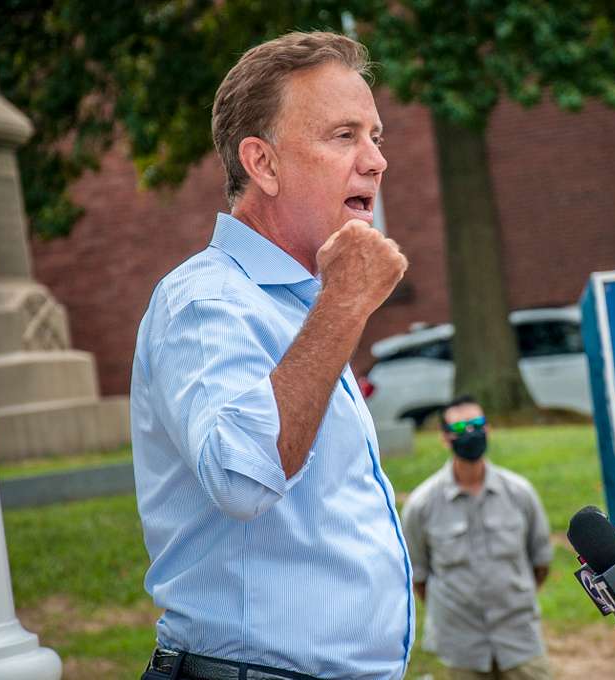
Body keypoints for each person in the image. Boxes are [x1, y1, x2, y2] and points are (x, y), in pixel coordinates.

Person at [130, 31, 413, 680]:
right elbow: (242, 476)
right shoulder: (204, 303)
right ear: (263, 163)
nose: (375, 162)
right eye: (345, 136)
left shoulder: (298, 306)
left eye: (377, 137)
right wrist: (344, 303)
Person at [401, 396, 554, 680]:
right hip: (463, 647)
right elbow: (419, 576)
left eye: (477, 424)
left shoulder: (519, 493)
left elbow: (540, 562)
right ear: (445, 438)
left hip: (519, 640)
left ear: (488, 429)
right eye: (460, 427)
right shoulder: (422, 505)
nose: (470, 433)